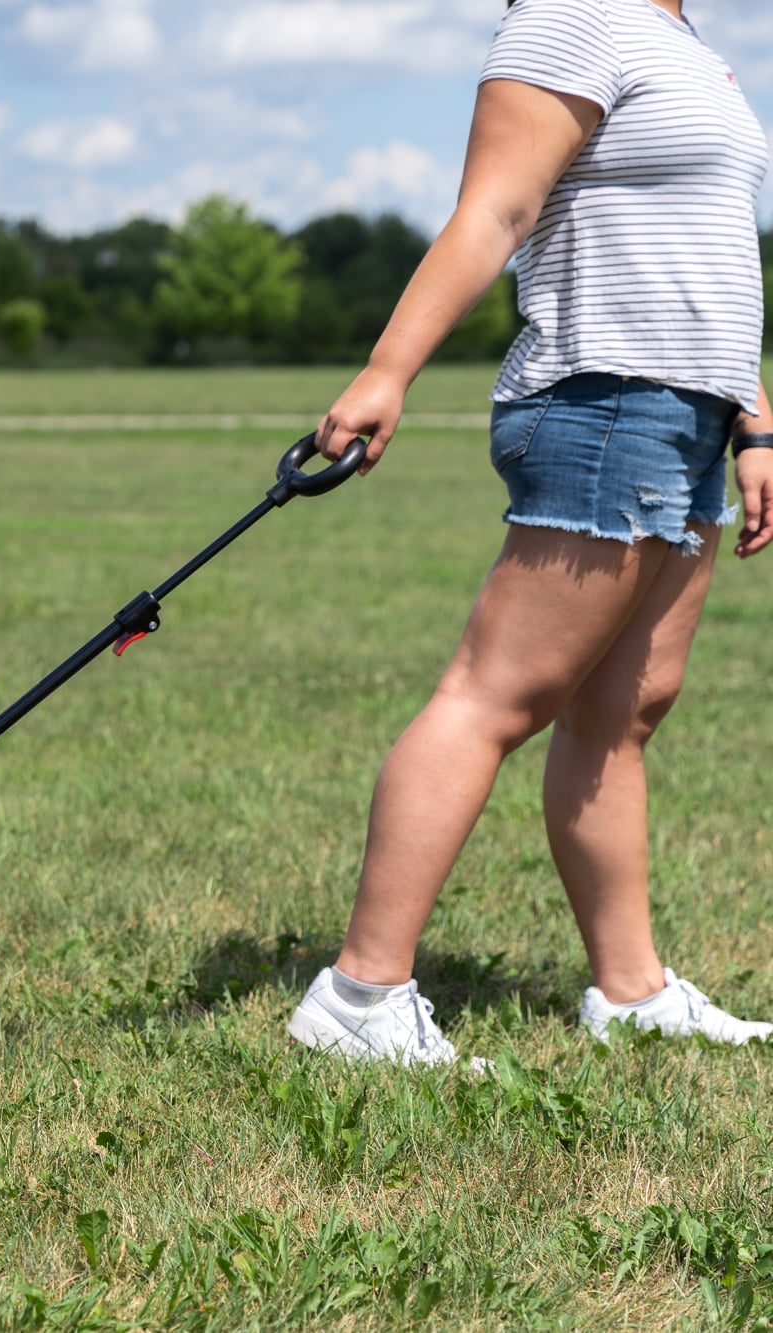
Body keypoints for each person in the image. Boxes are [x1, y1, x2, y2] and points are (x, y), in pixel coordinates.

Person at [286, 0, 773, 1065]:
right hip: (606, 397)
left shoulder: (685, 45)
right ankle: (358, 997)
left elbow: (709, 250)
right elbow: (493, 212)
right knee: (492, 695)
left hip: (687, 411)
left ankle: (631, 990)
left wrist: (753, 419)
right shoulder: (568, 15)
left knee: (620, 710)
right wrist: (386, 370)